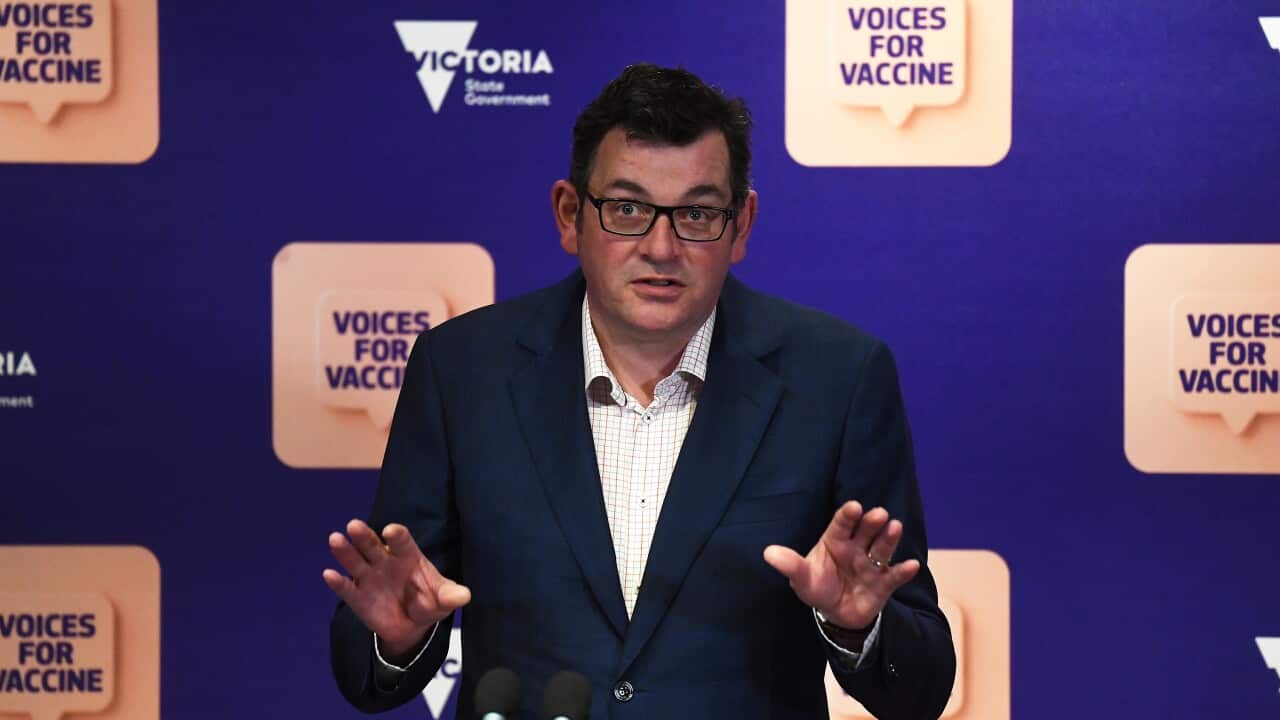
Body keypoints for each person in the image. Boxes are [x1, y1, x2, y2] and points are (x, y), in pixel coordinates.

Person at [326, 63, 955, 719]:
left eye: (697, 213)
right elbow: (370, 659)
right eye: (627, 209)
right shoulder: (461, 372)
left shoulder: (838, 380)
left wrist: (860, 628)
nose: (661, 247)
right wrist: (395, 639)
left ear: (741, 225)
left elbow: (922, 687)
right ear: (570, 214)